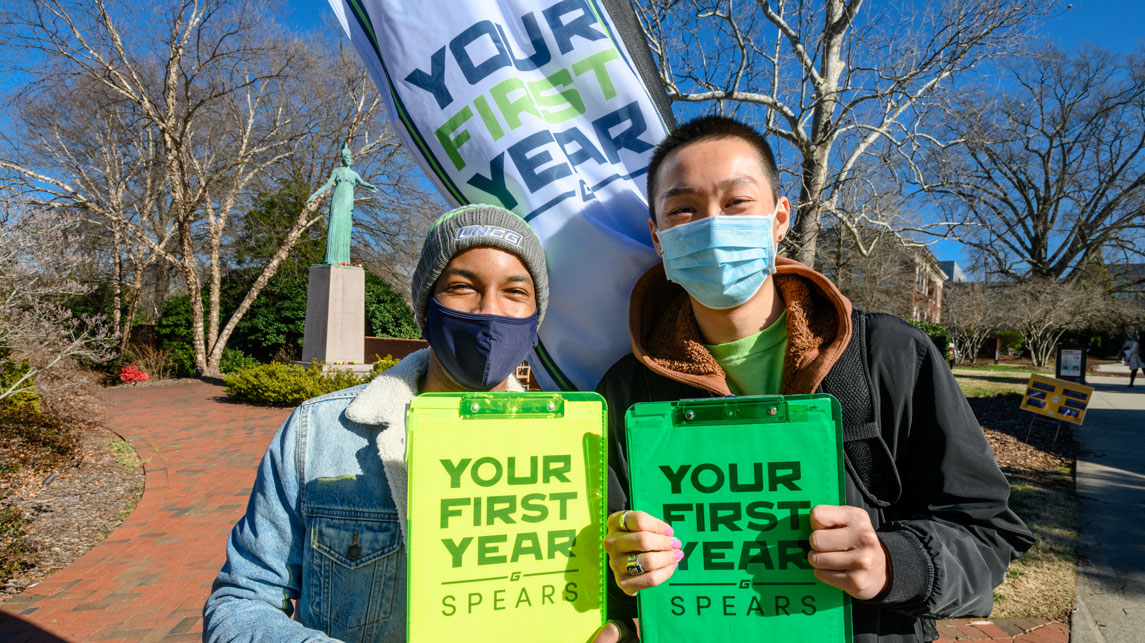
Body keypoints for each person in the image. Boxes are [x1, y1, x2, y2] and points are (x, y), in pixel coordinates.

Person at [593, 116, 1034, 643]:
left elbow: (987, 531)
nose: (711, 224)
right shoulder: (625, 392)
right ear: (657, 236)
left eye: (736, 203)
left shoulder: (887, 356)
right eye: (683, 210)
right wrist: (619, 585)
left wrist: (894, 564)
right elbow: (608, 578)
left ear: (779, 219)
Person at [203, 204, 552, 642]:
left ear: (537, 316)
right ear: (426, 306)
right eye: (463, 287)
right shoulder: (317, 433)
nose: (488, 312)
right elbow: (242, 600)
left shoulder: (570, 446)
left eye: (515, 291)